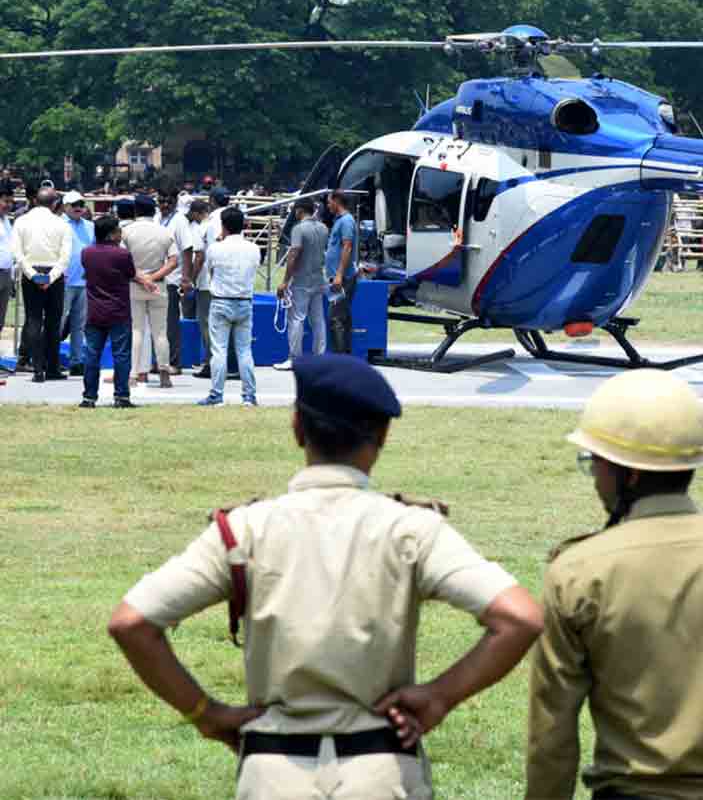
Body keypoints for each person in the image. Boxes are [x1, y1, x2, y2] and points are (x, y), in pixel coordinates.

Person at [109, 353, 543, 800]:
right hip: (380, 771)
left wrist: (207, 714)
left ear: (298, 429)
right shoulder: (411, 528)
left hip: (273, 772)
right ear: (383, 435)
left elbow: (131, 623)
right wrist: (440, 696)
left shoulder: (245, 529)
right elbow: (519, 618)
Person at [526, 369, 703, 800]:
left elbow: (553, 735)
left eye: (595, 463)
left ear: (629, 475)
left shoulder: (579, 573)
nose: (595, 478)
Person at [80, 215, 158, 409]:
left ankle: (89, 397)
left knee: (92, 355)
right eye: (118, 230)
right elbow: (131, 274)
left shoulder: (86, 253)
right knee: (121, 355)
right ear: (111, 234)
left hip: (95, 311)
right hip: (118, 311)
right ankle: (121, 396)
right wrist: (147, 282)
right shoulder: (122, 254)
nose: (121, 233)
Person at [199, 206, 260, 407]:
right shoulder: (254, 248)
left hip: (221, 300)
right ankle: (249, 395)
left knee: (219, 350)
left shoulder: (215, 248)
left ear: (223, 226)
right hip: (244, 301)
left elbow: (211, 272)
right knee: (244, 350)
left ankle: (217, 394)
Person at [11, 186, 71, 382]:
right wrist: (51, 277)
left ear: (35, 200)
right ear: (55, 204)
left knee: (33, 320)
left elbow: (17, 253)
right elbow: (65, 256)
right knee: (53, 323)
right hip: (54, 273)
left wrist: (33, 275)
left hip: (31, 272)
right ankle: (52, 367)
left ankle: (37, 369)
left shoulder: (21, 221)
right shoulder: (61, 224)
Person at [121, 194, 177, 388]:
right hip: (158, 284)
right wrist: (152, 279)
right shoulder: (164, 232)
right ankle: (164, 372)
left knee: (136, 330)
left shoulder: (126, 232)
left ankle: (133, 374)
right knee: (160, 332)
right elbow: (173, 261)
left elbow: (123, 261)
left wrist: (140, 278)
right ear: (154, 211)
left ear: (135, 211)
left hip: (134, 284)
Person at [274, 197, 328, 369]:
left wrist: (284, 281)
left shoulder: (298, 229)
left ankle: (294, 358)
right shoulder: (323, 228)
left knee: (296, 319)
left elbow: (293, 255)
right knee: (318, 320)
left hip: (301, 281)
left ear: (299, 210)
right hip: (318, 279)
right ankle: (320, 356)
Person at [155, 183, 194, 375]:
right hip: (155, 277)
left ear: (175, 202)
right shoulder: (156, 218)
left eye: (168, 201)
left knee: (170, 323)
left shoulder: (179, 220)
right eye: (161, 200)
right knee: (156, 323)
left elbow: (187, 249)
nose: (164, 205)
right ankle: (159, 361)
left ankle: (174, 363)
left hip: (172, 278)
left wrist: (186, 278)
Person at [60, 191, 95, 376]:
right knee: (57, 323)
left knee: (79, 325)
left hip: (84, 282)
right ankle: (49, 358)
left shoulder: (90, 226)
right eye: (73, 204)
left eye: (81, 203)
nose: (78, 207)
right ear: (65, 206)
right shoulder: (58, 225)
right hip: (62, 281)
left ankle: (76, 361)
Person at [325, 191, 358, 354]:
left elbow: (347, 246)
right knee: (343, 317)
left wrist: (339, 274)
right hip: (339, 277)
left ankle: (340, 359)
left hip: (342, 278)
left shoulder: (346, 221)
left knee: (335, 317)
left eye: (329, 202)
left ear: (337, 201)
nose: (327, 205)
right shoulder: (340, 221)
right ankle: (345, 356)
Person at [187, 199, 212, 374]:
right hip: (217, 281)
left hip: (204, 283)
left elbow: (199, 257)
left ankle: (210, 362)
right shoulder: (215, 225)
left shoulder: (198, 229)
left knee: (206, 323)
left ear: (196, 213)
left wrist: (191, 279)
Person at [0, 185, 15, 340]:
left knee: (0, 320)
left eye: (11, 202)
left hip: (6, 273)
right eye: (5, 201)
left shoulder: (6, 221)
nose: (9, 205)